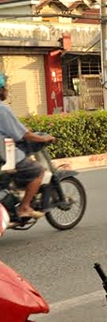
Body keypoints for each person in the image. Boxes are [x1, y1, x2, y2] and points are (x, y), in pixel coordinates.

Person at [0, 72, 55, 219]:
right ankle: (24, 207)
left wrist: (25, 131)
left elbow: (14, 128)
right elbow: (25, 135)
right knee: (38, 171)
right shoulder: (3, 109)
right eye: (5, 87)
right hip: (6, 156)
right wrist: (43, 139)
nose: (7, 90)